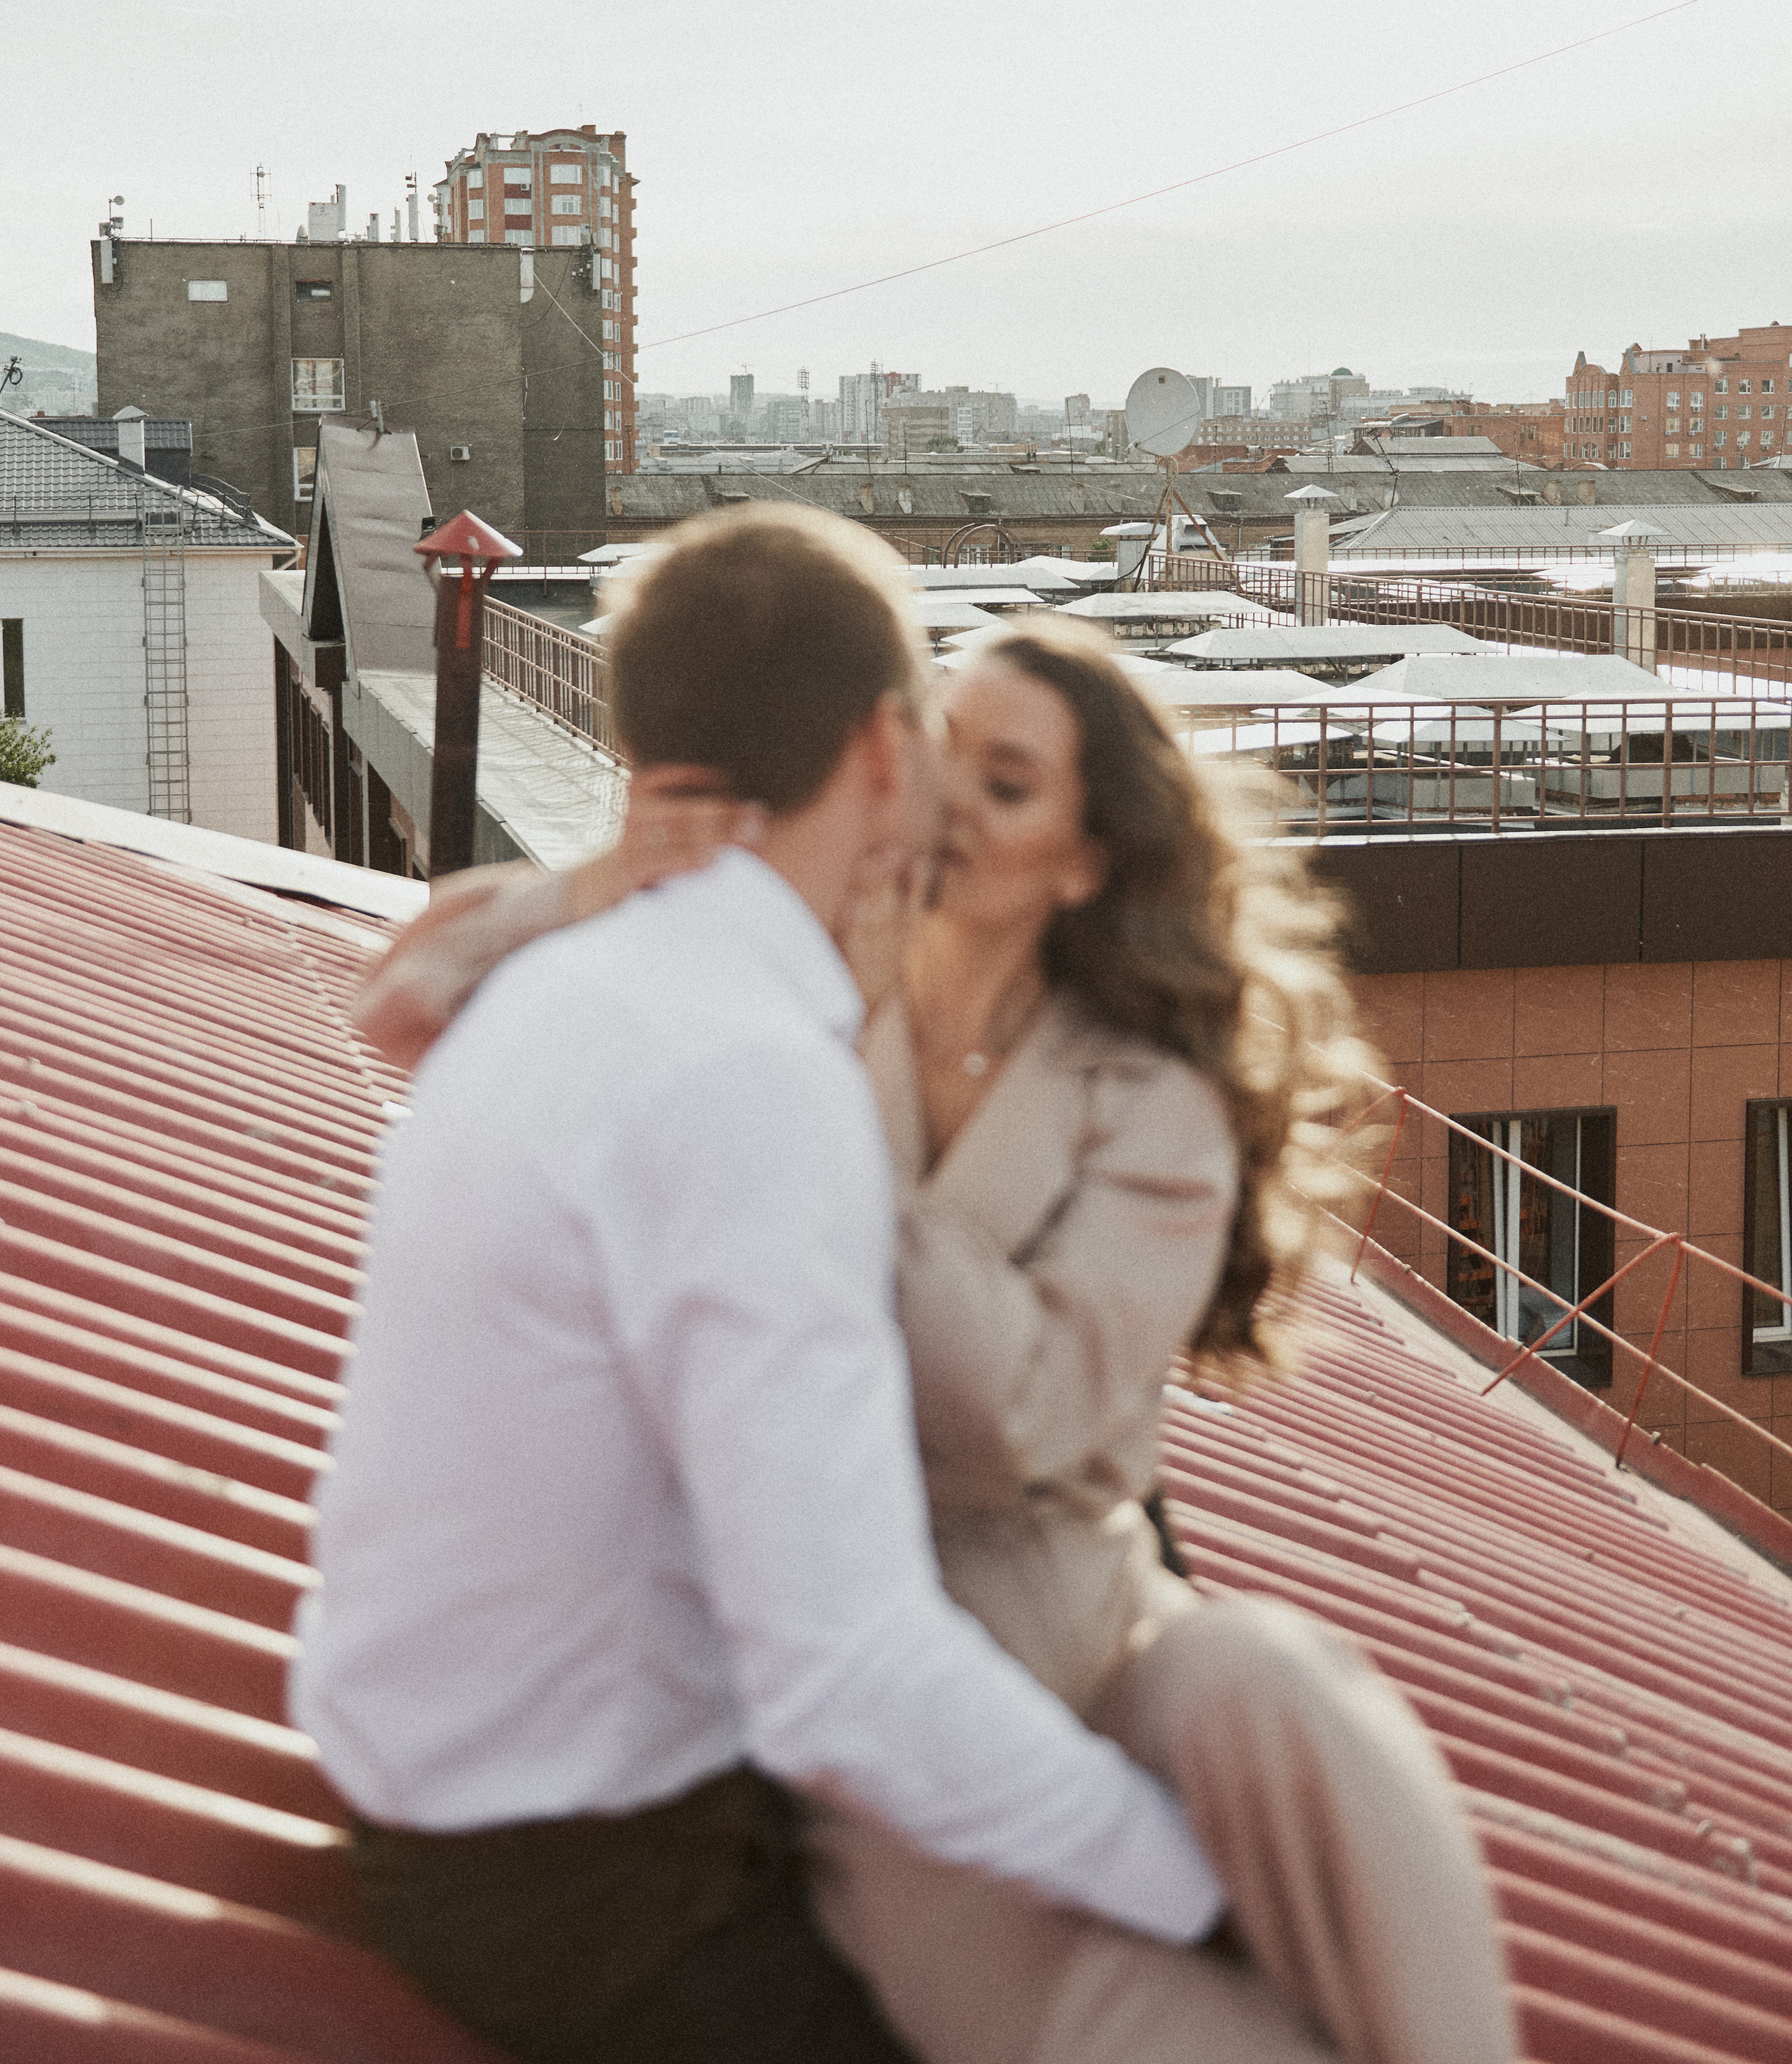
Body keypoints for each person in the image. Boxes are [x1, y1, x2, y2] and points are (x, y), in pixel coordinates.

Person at [356, 581, 1517, 2064]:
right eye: (940, 745)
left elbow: (1019, 1423)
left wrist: (808, 1105)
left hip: (1092, 1614)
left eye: (1008, 780)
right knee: (1070, 2009)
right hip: (886, 1654)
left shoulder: (1147, 1106)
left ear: (1084, 860)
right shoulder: (789, 978)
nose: (949, 798)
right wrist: (608, 879)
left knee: (1280, 1691)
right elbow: (406, 1002)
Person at [293, 507, 1235, 2064]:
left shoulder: (589, 988)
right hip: (585, 1881)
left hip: (462, 1775)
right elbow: (844, 1676)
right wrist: (1194, 1889)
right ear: (880, 748)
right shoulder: (742, 1071)